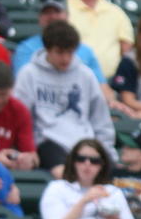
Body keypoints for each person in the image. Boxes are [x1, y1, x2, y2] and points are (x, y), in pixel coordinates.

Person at [13, 21, 115, 175]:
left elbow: (100, 119)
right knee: (64, 170)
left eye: (70, 52)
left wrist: (107, 152)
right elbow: (20, 116)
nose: (66, 58)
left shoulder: (85, 75)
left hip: (84, 143)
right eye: (60, 52)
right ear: (47, 49)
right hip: (47, 142)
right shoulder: (29, 74)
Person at [39, 137, 139, 219]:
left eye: (94, 161)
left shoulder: (113, 192)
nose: (87, 164)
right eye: (81, 159)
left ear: (102, 165)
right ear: (73, 162)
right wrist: (84, 201)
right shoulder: (57, 188)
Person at [14, 0, 107, 90]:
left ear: (67, 16)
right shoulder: (26, 48)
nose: (52, 17)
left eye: (57, 12)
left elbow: (101, 86)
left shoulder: (86, 51)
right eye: (47, 13)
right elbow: (23, 85)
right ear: (40, 18)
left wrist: (111, 101)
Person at [67, 0, 133, 79]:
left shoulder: (117, 13)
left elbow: (126, 49)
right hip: (71, 78)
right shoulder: (63, 9)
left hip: (111, 81)